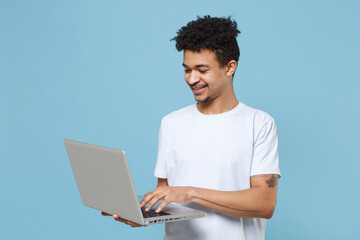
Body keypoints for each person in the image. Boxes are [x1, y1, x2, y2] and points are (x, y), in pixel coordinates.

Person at [103, 15, 281, 240]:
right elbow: (166, 195)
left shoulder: (259, 123)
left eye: (202, 70)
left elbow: (264, 204)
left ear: (229, 67)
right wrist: (143, 214)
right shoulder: (171, 123)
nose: (191, 78)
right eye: (187, 69)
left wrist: (191, 192)